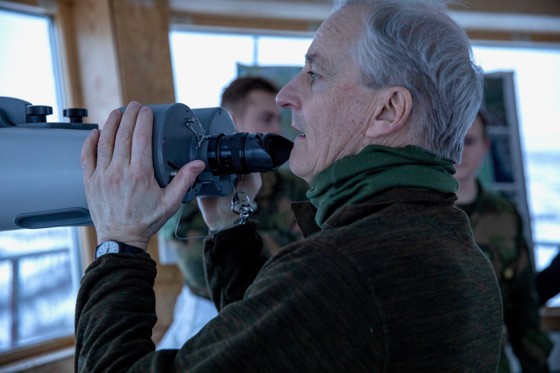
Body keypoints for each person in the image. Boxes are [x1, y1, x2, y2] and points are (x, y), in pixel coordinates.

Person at [75, 0, 504, 371]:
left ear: (388, 111)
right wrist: (229, 227)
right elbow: (283, 346)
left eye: (315, 74)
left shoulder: (344, 270)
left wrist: (121, 242)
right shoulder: (451, 247)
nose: (285, 96)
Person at [157, 76, 308, 348]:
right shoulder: (188, 184)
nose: (277, 129)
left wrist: (234, 234)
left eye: (278, 119)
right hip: (203, 317)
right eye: (266, 119)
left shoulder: (293, 186)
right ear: (232, 124)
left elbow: (311, 260)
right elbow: (197, 269)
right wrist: (284, 239)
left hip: (275, 313)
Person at [454, 110, 553, 372]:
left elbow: (523, 303)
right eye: (452, 140)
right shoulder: (414, 213)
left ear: (486, 146)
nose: (459, 151)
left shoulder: (505, 216)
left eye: (469, 141)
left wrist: (536, 365)